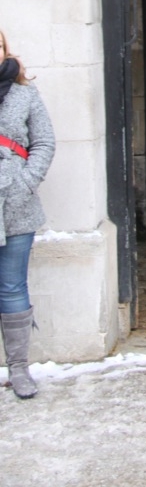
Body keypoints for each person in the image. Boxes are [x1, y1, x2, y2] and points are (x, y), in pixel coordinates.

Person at [0, 29, 56, 399]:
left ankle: (18, 368)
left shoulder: (23, 92)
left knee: (12, 287)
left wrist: (26, 181)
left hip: (14, 203)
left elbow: (45, 141)